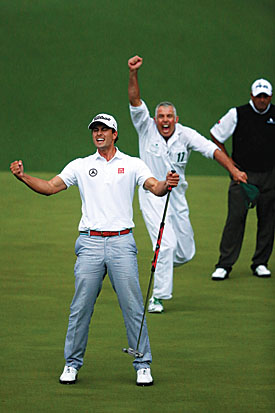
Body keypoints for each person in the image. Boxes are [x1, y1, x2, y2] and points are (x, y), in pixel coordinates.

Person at [10, 112, 179, 386]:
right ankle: (71, 364)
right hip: (89, 243)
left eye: (104, 129)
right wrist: (23, 177)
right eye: (95, 129)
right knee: (80, 307)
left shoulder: (133, 164)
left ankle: (143, 364)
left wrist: (166, 184)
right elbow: (51, 187)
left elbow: (155, 187)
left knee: (134, 306)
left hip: (122, 242)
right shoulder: (80, 165)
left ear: (115, 134)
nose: (99, 133)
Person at [128, 55, 247, 313]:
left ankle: (160, 261)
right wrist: (133, 73)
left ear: (176, 119)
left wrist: (233, 170)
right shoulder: (144, 127)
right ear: (155, 118)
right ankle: (156, 298)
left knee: (185, 252)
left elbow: (212, 150)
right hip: (152, 195)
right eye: (161, 116)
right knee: (167, 245)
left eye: (169, 116)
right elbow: (135, 100)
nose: (165, 120)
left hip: (178, 198)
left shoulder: (186, 135)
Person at [210, 78, 275, 280]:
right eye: (258, 96)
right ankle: (224, 264)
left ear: (270, 97)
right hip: (243, 175)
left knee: (268, 221)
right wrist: (230, 164)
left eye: (265, 97)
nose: (262, 100)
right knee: (235, 219)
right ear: (251, 96)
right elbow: (216, 135)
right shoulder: (237, 113)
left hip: (269, 175)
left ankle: (260, 262)